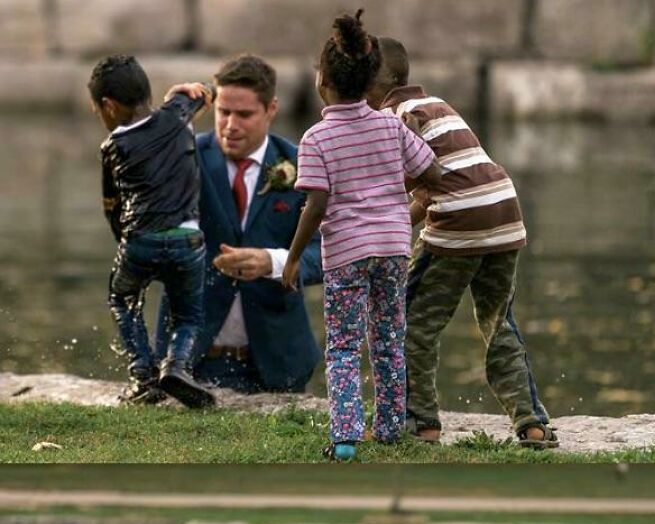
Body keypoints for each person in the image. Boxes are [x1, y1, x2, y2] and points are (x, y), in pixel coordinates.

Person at [366, 39, 558, 449]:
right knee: (498, 321)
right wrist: (399, 222)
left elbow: (425, 182)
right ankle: (531, 422)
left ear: (367, 82)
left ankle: (421, 421)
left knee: (410, 319)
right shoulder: (436, 105)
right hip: (505, 211)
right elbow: (429, 190)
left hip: (460, 220)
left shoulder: (389, 120)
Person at [281, 10, 441, 462]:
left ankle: (346, 436)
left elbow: (316, 206)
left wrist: (293, 258)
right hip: (393, 246)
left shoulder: (316, 138)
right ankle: (389, 429)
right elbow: (431, 170)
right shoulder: (392, 126)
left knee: (345, 345)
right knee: (390, 337)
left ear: (323, 81)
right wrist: (406, 186)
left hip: (347, 252)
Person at [158, 55, 323, 394]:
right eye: (223, 112)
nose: (231, 125)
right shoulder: (185, 156)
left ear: (272, 109)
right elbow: (144, 202)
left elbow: (329, 251)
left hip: (278, 361)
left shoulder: (302, 165)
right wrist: (168, 124)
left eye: (244, 115)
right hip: (190, 361)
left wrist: (276, 262)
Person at [88, 55, 215, 407]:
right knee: (187, 314)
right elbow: (208, 92)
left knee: (122, 299)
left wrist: (125, 242)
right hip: (188, 239)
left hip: (139, 239)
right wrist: (181, 91)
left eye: (97, 110)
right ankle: (176, 366)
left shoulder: (112, 146)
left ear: (108, 106)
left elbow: (111, 205)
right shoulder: (176, 114)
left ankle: (143, 374)